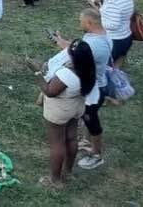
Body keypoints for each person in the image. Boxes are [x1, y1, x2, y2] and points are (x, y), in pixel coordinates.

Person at [31, 40, 97, 189]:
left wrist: (37, 73)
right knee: (71, 139)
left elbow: (49, 91)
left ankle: (55, 180)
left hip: (60, 111)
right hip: (76, 108)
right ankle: (68, 172)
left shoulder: (66, 74)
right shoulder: (89, 70)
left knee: (57, 144)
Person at [53, 8, 112, 171]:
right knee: (87, 117)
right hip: (96, 84)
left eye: (82, 22)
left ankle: (96, 154)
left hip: (95, 89)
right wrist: (63, 41)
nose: (80, 24)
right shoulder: (100, 35)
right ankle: (87, 142)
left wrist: (62, 45)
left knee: (91, 120)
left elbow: (76, 55)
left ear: (89, 23)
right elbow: (79, 48)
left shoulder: (95, 44)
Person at [99, 0, 135, 67]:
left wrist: (98, 23)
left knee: (105, 68)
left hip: (115, 40)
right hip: (126, 37)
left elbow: (113, 25)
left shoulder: (116, 2)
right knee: (115, 67)